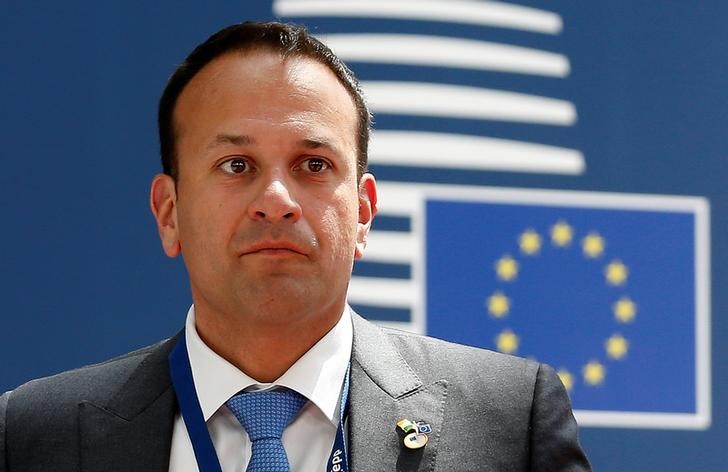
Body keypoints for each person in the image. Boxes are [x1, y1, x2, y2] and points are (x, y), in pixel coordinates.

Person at [0, 21, 590, 472]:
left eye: (313, 163)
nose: (276, 199)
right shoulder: (35, 435)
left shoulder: (510, 421)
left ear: (361, 213)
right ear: (169, 212)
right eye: (236, 165)